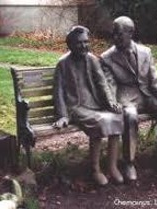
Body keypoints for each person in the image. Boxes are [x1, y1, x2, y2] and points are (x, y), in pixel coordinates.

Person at [100, 16, 157, 181]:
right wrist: (114, 102)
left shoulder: (145, 52)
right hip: (125, 98)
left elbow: (155, 78)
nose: (115, 38)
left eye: (119, 34)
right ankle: (129, 162)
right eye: (114, 34)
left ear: (131, 33)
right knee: (130, 116)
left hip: (146, 95)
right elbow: (110, 84)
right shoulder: (107, 57)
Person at [53, 25, 124, 186]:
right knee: (100, 122)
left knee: (116, 117)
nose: (84, 46)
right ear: (70, 45)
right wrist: (63, 115)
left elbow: (102, 83)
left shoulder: (91, 59)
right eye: (79, 43)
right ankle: (95, 170)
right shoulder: (63, 63)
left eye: (86, 42)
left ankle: (112, 167)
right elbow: (58, 91)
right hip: (76, 107)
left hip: (94, 104)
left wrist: (111, 102)